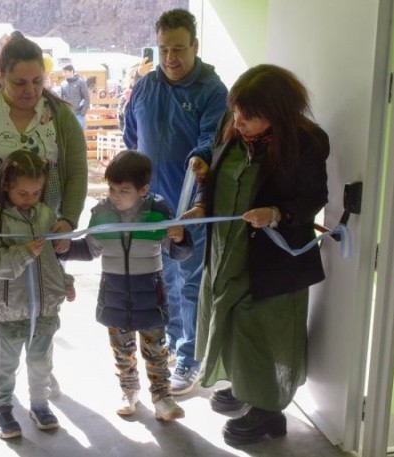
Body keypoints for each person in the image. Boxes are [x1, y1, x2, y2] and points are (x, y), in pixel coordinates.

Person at [187, 64, 329, 445]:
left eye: (251, 117)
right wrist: (201, 204)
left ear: (279, 112)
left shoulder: (307, 142)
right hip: (225, 249)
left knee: (261, 329)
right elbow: (215, 176)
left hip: (272, 261)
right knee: (231, 320)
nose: (240, 122)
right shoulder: (231, 127)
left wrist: (277, 214)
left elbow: (314, 198)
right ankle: (246, 388)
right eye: (237, 112)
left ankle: (268, 412)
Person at [0, 31, 88, 412]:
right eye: (19, 82)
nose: (30, 91)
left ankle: (39, 368)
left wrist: (67, 221)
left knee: (42, 300)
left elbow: (77, 173)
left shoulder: (58, 115)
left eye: (37, 82)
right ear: (2, 76)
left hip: (43, 228)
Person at [123, 8, 228, 395]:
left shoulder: (213, 90)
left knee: (190, 283)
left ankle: (190, 359)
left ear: (195, 46)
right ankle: (169, 344)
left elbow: (212, 140)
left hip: (192, 209)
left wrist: (200, 157)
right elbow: (131, 136)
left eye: (179, 49)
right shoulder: (146, 86)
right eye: (164, 48)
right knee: (161, 279)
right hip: (151, 207)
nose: (171, 58)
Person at [61, 150, 191, 421]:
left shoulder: (159, 213)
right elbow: (89, 250)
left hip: (150, 294)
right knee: (122, 350)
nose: (115, 196)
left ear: (143, 190)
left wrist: (181, 239)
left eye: (123, 190)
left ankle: (162, 397)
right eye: (111, 189)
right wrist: (64, 249)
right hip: (114, 294)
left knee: (156, 350)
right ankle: (128, 391)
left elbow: (178, 253)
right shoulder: (100, 214)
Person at [0, 149, 70, 439]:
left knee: (41, 360)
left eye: (36, 192)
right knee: (5, 364)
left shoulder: (46, 214)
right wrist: (23, 252)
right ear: (6, 186)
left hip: (45, 307)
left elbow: (52, 259)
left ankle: (39, 404)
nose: (30, 199)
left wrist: (64, 281)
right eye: (22, 193)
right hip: (10, 307)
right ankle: (1, 407)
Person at [60, 64, 90, 129]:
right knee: (69, 137)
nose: (63, 74)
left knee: (79, 137)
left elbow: (87, 98)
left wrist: (82, 113)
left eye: (65, 72)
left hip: (79, 115)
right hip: (67, 115)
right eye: (63, 72)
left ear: (71, 71)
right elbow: (62, 99)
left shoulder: (81, 82)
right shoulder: (63, 84)